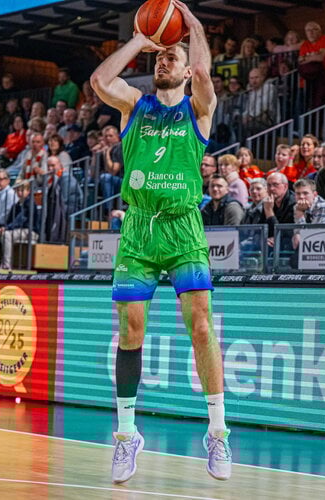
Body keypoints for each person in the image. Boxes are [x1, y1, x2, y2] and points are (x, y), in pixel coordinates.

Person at [90, 0, 232, 484]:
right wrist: (140, 39)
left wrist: (192, 27)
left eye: (172, 56)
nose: (164, 61)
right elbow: (100, 81)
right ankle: (127, 435)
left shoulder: (199, 108)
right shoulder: (135, 104)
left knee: (201, 326)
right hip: (139, 228)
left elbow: (205, 74)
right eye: (160, 57)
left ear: (186, 69)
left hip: (183, 226)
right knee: (130, 330)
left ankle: (218, 432)